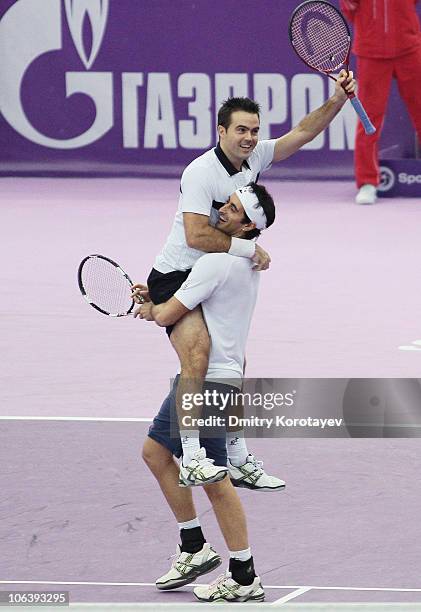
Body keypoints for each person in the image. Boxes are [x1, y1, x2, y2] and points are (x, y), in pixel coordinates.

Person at [136, 79, 356, 478]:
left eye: (254, 130)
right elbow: (195, 235)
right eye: (241, 130)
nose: (249, 138)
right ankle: (192, 457)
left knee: (232, 361)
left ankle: (236, 455)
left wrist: (338, 100)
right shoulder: (200, 173)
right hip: (175, 274)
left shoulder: (254, 159)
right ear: (221, 131)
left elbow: (303, 132)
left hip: (209, 273)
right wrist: (250, 249)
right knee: (197, 356)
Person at [136, 183, 277, 602]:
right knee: (155, 452)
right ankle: (194, 546)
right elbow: (184, 302)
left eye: (232, 209)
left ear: (248, 224)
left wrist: (149, 308)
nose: (221, 212)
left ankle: (244, 575)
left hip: (209, 385)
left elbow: (167, 315)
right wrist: (157, 299)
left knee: (215, 480)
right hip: (209, 379)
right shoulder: (244, 265)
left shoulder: (215, 263)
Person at [340, 0, 421, 205]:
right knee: (368, 119)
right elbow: (349, 9)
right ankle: (368, 182)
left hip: (409, 46)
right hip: (371, 51)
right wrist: (373, 26)